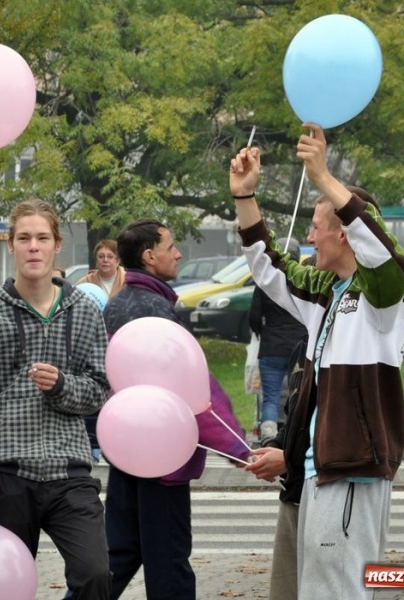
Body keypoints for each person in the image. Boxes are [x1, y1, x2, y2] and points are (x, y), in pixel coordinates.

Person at [229, 124, 404, 600]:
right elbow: (267, 266)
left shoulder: (386, 300)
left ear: (345, 234)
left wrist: (322, 177)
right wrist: (244, 197)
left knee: (339, 592)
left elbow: (385, 257)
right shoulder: (323, 293)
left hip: (351, 471)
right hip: (319, 472)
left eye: (317, 227)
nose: (310, 237)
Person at [0, 199, 111, 599]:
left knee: (95, 574)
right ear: (11, 246)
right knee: (3, 586)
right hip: (7, 473)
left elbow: (99, 390)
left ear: (57, 245)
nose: (34, 247)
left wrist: (62, 386)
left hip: (70, 470)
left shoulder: (86, 312)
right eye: (24, 238)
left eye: (42, 238)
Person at [102, 219, 251, 600]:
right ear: (150, 256)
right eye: (171, 246)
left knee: (118, 557)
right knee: (169, 565)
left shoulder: (116, 305)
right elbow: (194, 389)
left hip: (125, 454)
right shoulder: (157, 309)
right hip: (162, 459)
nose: (179, 253)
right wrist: (236, 446)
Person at [245, 334, 308, 600]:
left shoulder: (346, 346)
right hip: (294, 495)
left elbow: (348, 433)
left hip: (331, 497)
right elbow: (295, 415)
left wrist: (289, 459)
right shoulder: (302, 344)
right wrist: (274, 446)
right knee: (286, 590)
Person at [247, 239, 308, 441]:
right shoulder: (303, 281)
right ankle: (293, 436)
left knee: (271, 397)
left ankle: (268, 436)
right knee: (297, 394)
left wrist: (262, 332)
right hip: (298, 347)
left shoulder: (265, 281)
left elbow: (254, 316)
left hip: (271, 347)